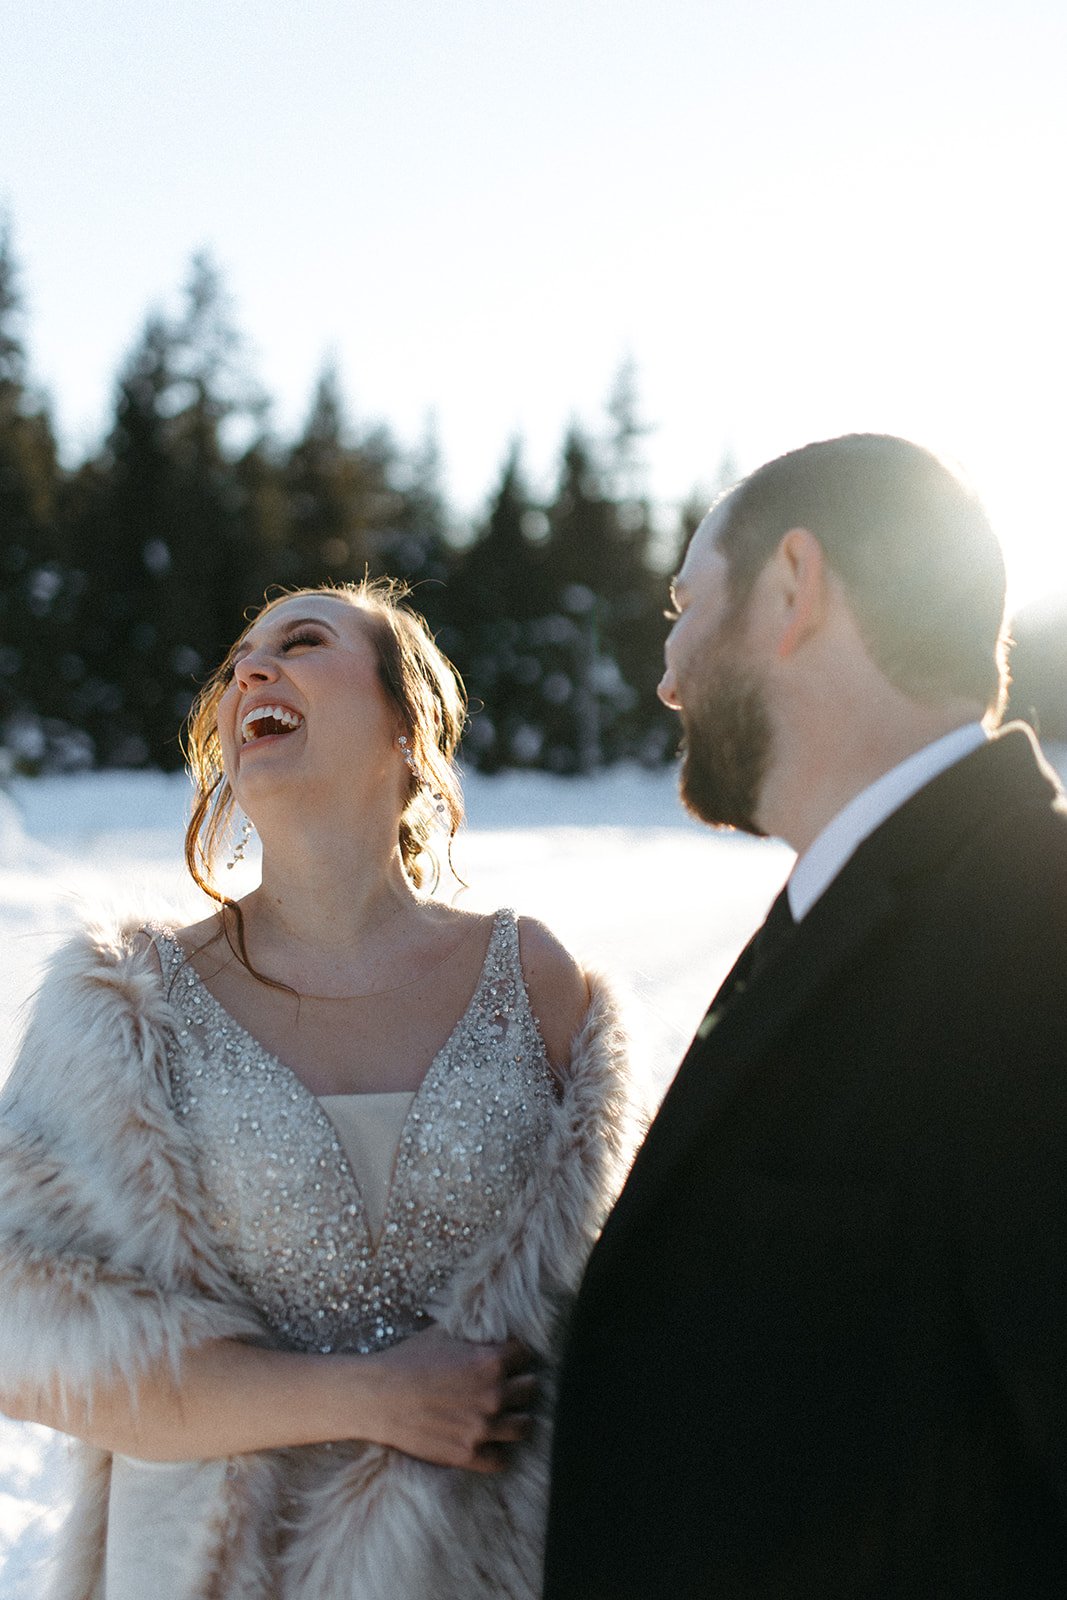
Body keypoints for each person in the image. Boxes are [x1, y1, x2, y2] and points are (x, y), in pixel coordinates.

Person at [0, 577, 637, 1600]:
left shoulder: (536, 988)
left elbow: (615, 1326)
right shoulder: (122, 1006)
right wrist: (367, 1396)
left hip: (479, 1572)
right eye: (239, 660)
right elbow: (32, 1344)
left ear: (405, 724)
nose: (250, 669)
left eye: (301, 642)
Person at [544, 434, 1067, 1598]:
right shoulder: (839, 907)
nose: (667, 674)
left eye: (685, 605)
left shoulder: (1034, 933)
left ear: (793, 588)